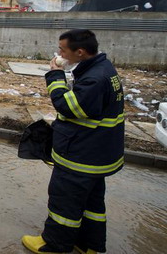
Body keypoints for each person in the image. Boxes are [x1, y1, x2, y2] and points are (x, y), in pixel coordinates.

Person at [22, 29, 125, 254]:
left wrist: (55, 76)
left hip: (81, 156)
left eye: (62, 49)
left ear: (80, 52)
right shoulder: (102, 68)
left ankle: (55, 244)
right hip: (98, 154)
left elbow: (68, 107)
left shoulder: (95, 78)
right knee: (91, 204)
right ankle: (88, 244)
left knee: (64, 201)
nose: (59, 53)